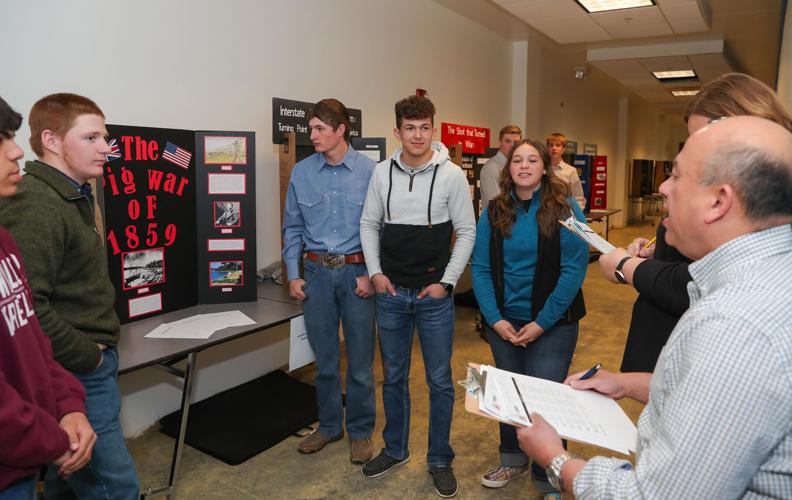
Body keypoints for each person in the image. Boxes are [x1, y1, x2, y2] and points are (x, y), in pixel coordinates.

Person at [517, 115, 792, 498]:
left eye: (676, 176)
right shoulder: (764, 279)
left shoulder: (734, 325)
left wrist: (555, 458)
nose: (662, 187)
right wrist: (627, 383)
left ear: (718, 201)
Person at [599, 72, 792, 372]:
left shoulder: (760, 205)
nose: (664, 187)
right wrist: (659, 250)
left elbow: (702, 279)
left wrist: (626, 266)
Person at [0, 93, 140, 500]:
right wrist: (87, 356)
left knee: (68, 483)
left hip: (77, 374)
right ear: (52, 141)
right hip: (76, 368)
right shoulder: (35, 203)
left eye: (105, 137)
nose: (106, 148)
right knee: (116, 488)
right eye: (91, 138)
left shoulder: (74, 194)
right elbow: (29, 309)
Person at [359, 95, 476, 497]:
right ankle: (395, 449)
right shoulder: (381, 173)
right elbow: (369, 223)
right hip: (391, 294)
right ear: (398, 131)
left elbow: (467, 231)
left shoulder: (451, 176)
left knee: (439, 381)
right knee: (393, 377)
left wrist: (447, 282)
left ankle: (440, 458)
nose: (418, 135)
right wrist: (375, 273)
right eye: (410, 128)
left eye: (424, 127)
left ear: (433, 130)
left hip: (434, 298)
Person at [471, 139, 588, 497]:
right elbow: (480, 267)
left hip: (552, 324)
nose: (524, 165)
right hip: (504, 323)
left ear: (544, 167)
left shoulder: (565, 208)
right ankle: (512, 459)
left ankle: (550, 473)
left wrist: (541, 323)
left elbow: (573, 269)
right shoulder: (494, 210)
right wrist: (494, 319)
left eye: (532, 160)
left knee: (546, 399)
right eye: (517, 160)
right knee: (508, 396)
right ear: (508, 168)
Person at [0, 97, 96, 500]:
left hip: (26, 460)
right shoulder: (35, 206)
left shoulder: (4, 242)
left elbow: (29, 336)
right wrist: (52, 439)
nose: (15, 151)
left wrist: (67, 404)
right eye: (1, 140)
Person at [281, 98, 377, 463]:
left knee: (360, 362)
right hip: (317, 274)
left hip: (357, 274)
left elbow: (381, 228)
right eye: (311, 128)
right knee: (324, 360)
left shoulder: (371, 172)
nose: (313, 135)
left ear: (340, 130)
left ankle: (361, 431)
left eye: (320, 128)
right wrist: (293, 274)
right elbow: (292, 227)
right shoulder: (302, 172)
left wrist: (371, 273)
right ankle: (329, 425)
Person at [479, 125, 521, 203]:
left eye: (516, 142)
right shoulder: (492, 168)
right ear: (500, 142)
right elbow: (495, 204)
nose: (512, 145)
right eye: (507, 141)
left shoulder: (516, 167)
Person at [546, 133, 585, 211]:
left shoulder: (571, 171)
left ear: (563, 149)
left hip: (563, 214)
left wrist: (574, 214)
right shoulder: (540, 169)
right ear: (547, 148)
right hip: (542, 214)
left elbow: (579, 198)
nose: (554, 148)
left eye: (558, 145)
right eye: (551, 145)